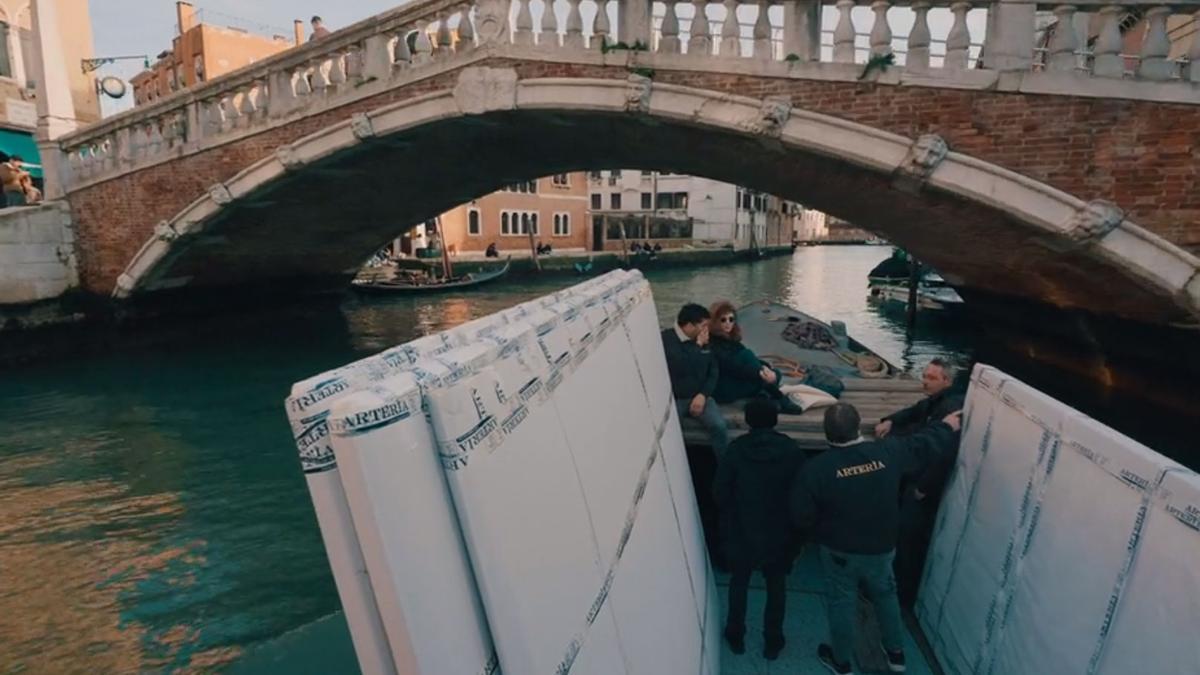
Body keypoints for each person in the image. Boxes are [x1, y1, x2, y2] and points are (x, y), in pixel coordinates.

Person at [791, 402, 961, 675]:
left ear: (826, 433)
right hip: (881, 548)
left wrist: (819, 533)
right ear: (858, 427)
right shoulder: (889, 451)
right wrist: (947, 425)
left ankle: (841, 662)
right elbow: (923, 444)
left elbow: (802, 516)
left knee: (841, 602)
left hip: (840, 551)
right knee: (886, 595)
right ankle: (896, 654)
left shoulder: (815, 470)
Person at [713, 399, 806, 660]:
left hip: (742, 530)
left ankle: (735, 634)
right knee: (776, 587)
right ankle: (773, 641)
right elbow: (800, 492)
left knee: (739, 582)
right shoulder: (791, 450)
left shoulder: (736, 450)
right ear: (775, 420)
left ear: (748, 421)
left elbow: (720, 492)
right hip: (779, 533)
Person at [875, 358, 965, 607]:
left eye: (931, 378)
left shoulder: (951, 408)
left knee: (909, 539)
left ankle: (901, 596)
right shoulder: (935, 401)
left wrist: (923, 488)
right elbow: (916, 410)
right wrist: (891, 419)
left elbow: (946, 452)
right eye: (924, 375)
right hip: (915, 478)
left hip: (922, 487)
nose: (925, 381)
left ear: (946, 381)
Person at [707, 301, 805, 415]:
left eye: (731, 319)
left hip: (736, 378)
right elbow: (734, 366)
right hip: (723, 388)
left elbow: (746, 364)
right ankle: (779, 398)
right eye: (723, 320)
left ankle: (766, 390)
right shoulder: (712, 344)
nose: (728, 323)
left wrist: (765, 368)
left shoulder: (730, 340)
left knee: (762, 368)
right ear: (714, 321)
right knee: (752, 363)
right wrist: (763, 373)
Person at [661, 303, 729, 457]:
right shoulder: (667, 340)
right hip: (676, 398)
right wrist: (698, 346)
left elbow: (713, 370)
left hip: (700, 395)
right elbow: (682, 367)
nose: (706, 329)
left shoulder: (704, 341)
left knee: (719, 426)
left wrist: (703, 395)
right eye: (703, 325)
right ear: (690, 325)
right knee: (668, 431)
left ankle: (724, 467)